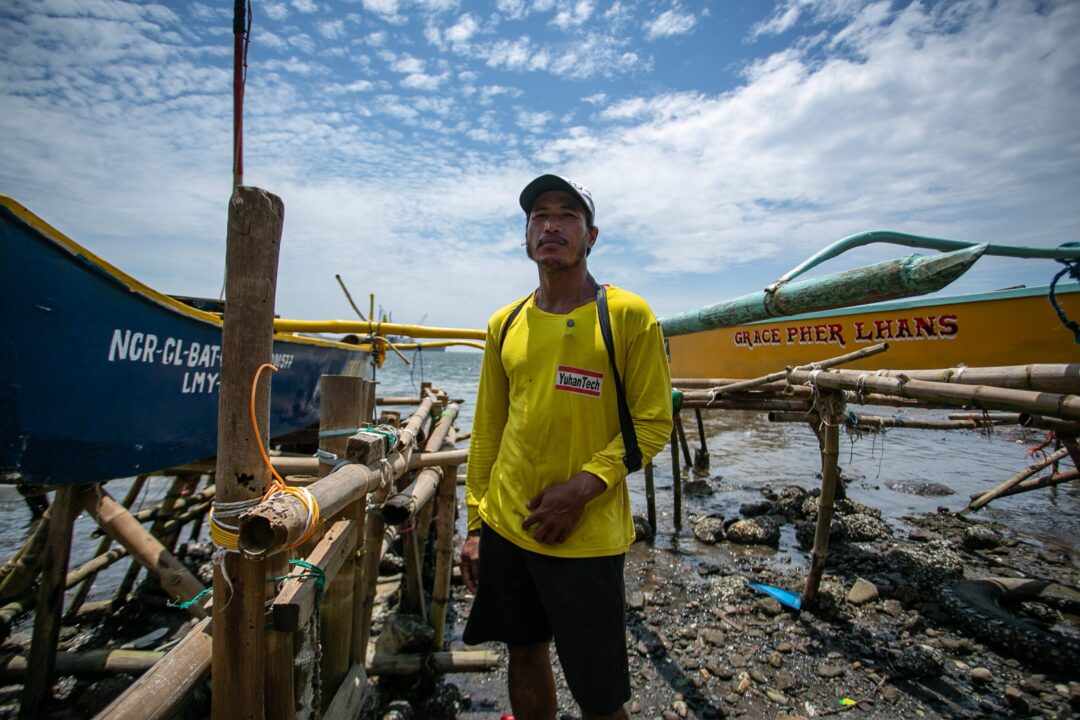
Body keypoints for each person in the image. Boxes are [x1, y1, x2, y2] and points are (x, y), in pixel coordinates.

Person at [459, 174, 673, 720]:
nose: (550, 225)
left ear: (591, 235)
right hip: (509, 525)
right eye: (538, 216)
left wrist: (582, 488)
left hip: (587, 535)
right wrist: (477, 525)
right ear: (527, 236)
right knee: (525, 650)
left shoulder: (625, 315)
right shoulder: (504, 323)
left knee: (600, 692)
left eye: (566, 215)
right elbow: (488, 430)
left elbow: (652, 423)